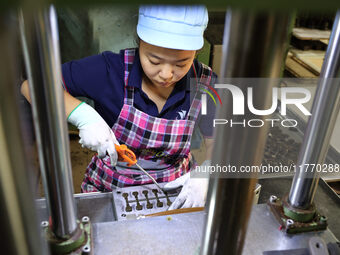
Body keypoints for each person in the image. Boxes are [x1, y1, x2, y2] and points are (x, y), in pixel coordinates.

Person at [21, 5, 216, 209]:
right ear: (139, 42)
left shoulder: (205, 83)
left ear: (197, 51)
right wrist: (82, 116)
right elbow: (32, 86)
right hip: (110, 191)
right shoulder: (110, 71)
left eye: (181, 63)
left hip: (178, 191)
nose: (166, 74)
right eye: (154, 60)